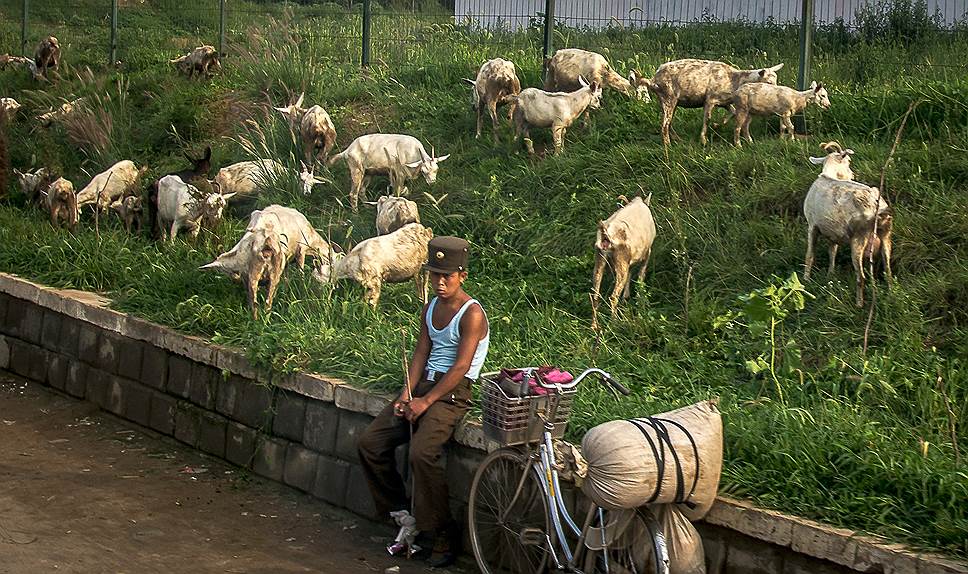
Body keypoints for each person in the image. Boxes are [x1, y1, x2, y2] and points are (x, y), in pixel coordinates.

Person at [357, 236, 490, 568]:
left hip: (452, 393)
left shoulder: (471, 314)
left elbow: (460, 367)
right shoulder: (430, 307)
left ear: (462, 275)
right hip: (425, 386)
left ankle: (444, 531)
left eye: (447, 276)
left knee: (422, 453)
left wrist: (427, 401)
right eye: (434, 275)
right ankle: (403, 515)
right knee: (370, 443)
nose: (440, 283)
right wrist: (406, 394)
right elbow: (420, 352)